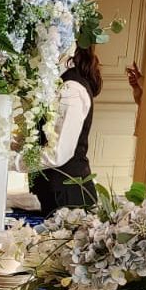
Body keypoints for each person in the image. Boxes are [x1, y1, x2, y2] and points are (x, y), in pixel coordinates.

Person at [19, 46, 101, 215]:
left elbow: (57, 153)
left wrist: (11, 162)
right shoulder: (57, 83)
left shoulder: (72, 88)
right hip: (54, 194)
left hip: (69, 199)